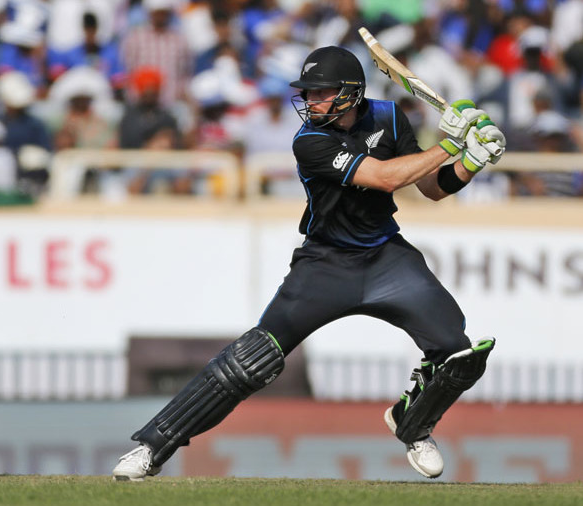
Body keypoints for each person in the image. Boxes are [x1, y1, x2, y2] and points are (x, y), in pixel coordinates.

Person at [111, 46, 506, 481]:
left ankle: (413, 424)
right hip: (325, 264)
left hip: (386, 258)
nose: (310, 101)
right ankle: (151, 448)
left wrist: (471, 161)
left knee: (458, 352)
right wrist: (451, 142)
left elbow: (431, 187)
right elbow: (385, 177)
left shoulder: (390, 117)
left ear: (351, 93)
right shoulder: (309, 141)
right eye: (308, 93)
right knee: (251, 360)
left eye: (321, 92)